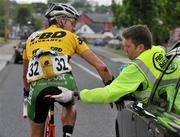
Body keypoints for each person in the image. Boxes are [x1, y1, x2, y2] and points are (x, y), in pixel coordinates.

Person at [23, 3, 113, 137]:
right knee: (69, 105)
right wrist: (111, 88)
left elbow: (25, 75)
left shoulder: (31, 38)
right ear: (60, 20)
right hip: (64, 84)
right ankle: (67, 134)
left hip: (37, 89)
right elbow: (102, 67)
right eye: (72, 22)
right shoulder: (71, 37)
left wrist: (26, 92)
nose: (75, 27)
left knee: (36, 129)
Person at [51, 24, 180, 112]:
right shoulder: (159, 50)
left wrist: (74, 94)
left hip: (168, 114)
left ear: (140, 47)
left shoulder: (136, 67)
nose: (124, 50)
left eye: (128, 46)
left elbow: (108, 93)